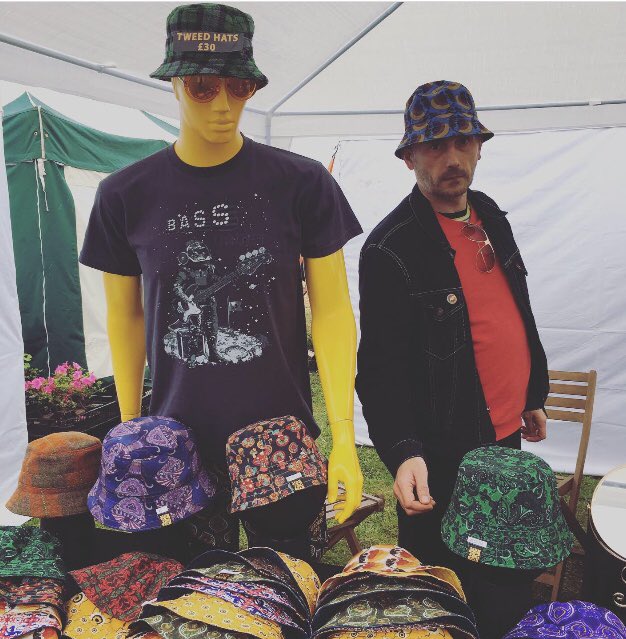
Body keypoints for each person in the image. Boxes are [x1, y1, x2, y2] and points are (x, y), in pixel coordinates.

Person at [79, 3, 364, 559]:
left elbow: (331, 311)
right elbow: (127, 314)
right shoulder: (124, 195)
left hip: (280, 438)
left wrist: (344, 436)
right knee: (195, 600)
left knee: (284, 588)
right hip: (176, 443)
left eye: (239, 87)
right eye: (203, 87)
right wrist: (132, 426)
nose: (224, 105)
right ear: (174, 84)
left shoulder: (300, 182)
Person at [356, 81, 550, 637]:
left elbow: (517, 307)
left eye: (463, 142)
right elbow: (380, 367)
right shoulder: (390, 248)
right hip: (442, 450)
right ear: (409, 156)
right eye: (436, 147)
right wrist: (402, 451)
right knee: (439, 590)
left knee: (500, 579)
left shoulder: (489, 214)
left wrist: (531, 391)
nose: (452, 158)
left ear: (480, 146)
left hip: (503, 436)